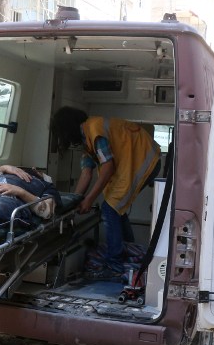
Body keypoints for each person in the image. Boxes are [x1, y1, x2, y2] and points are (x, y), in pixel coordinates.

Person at [51, 106, 161, 279]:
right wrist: (72, 203)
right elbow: (86, 173)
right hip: (137, 159)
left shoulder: (94, 130)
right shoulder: (86, 139)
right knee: (116, 208)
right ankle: (128, 250)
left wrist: (89, 199)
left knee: (109, 208)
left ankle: (114, 265)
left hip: (145, 159)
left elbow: (108, 168)